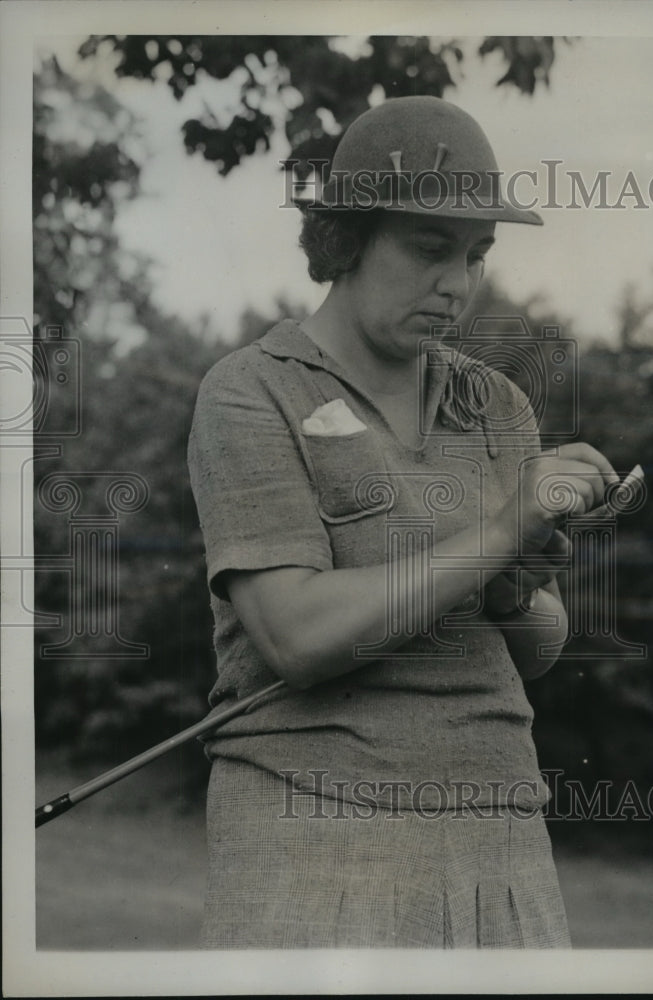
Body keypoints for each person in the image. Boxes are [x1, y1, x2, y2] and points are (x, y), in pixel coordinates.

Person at [187, 96, 618, 949]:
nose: (457, 285)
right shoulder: (251, 392)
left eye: (476, 256)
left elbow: (533, 649)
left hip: (499, 826)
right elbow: (298, 637)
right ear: (346, 238)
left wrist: (513, 595)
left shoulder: (495, 404)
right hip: (309, 831)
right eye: (429, 249)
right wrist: (496, 536)